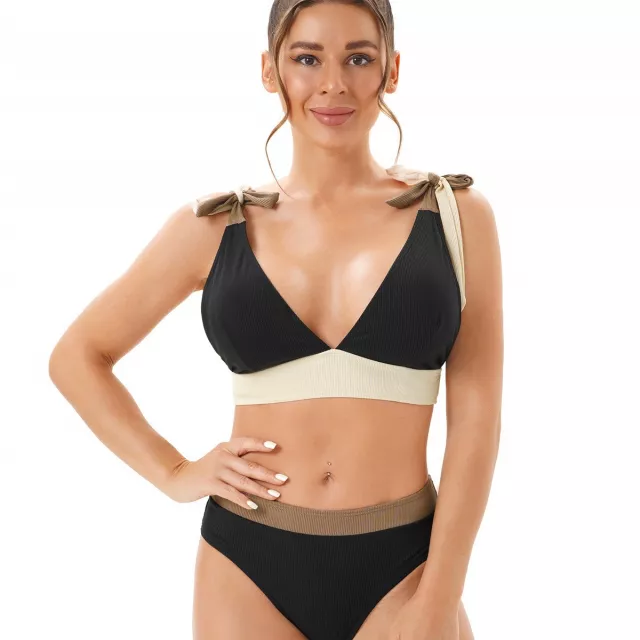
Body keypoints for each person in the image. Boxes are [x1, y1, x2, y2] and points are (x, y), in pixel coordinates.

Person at [49, 1, 503, 638]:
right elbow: (77, 357)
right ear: (270, 70)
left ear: (392, 70)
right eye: (307, 58)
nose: (333, 83)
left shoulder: (456, 216)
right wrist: (174, 472)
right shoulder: (214, 226)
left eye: (359, 58)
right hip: (246, 564)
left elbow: (477, 419)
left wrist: (439, 598)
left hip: (405, 565)